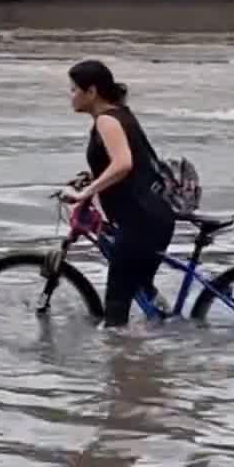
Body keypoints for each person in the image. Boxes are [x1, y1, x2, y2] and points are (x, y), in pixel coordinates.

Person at [65, 58, 175, 327]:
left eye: (74, 89)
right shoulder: (121, 113)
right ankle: (173, 341)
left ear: (91, 92)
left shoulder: (106, 120)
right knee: (140, 288)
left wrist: (85, 193)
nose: (71, 96)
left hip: (140, 221)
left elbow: (123, 164)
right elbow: (130, 162)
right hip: (154, 217)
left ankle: (122, 363)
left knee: (116, 307)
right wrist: (92, 177)